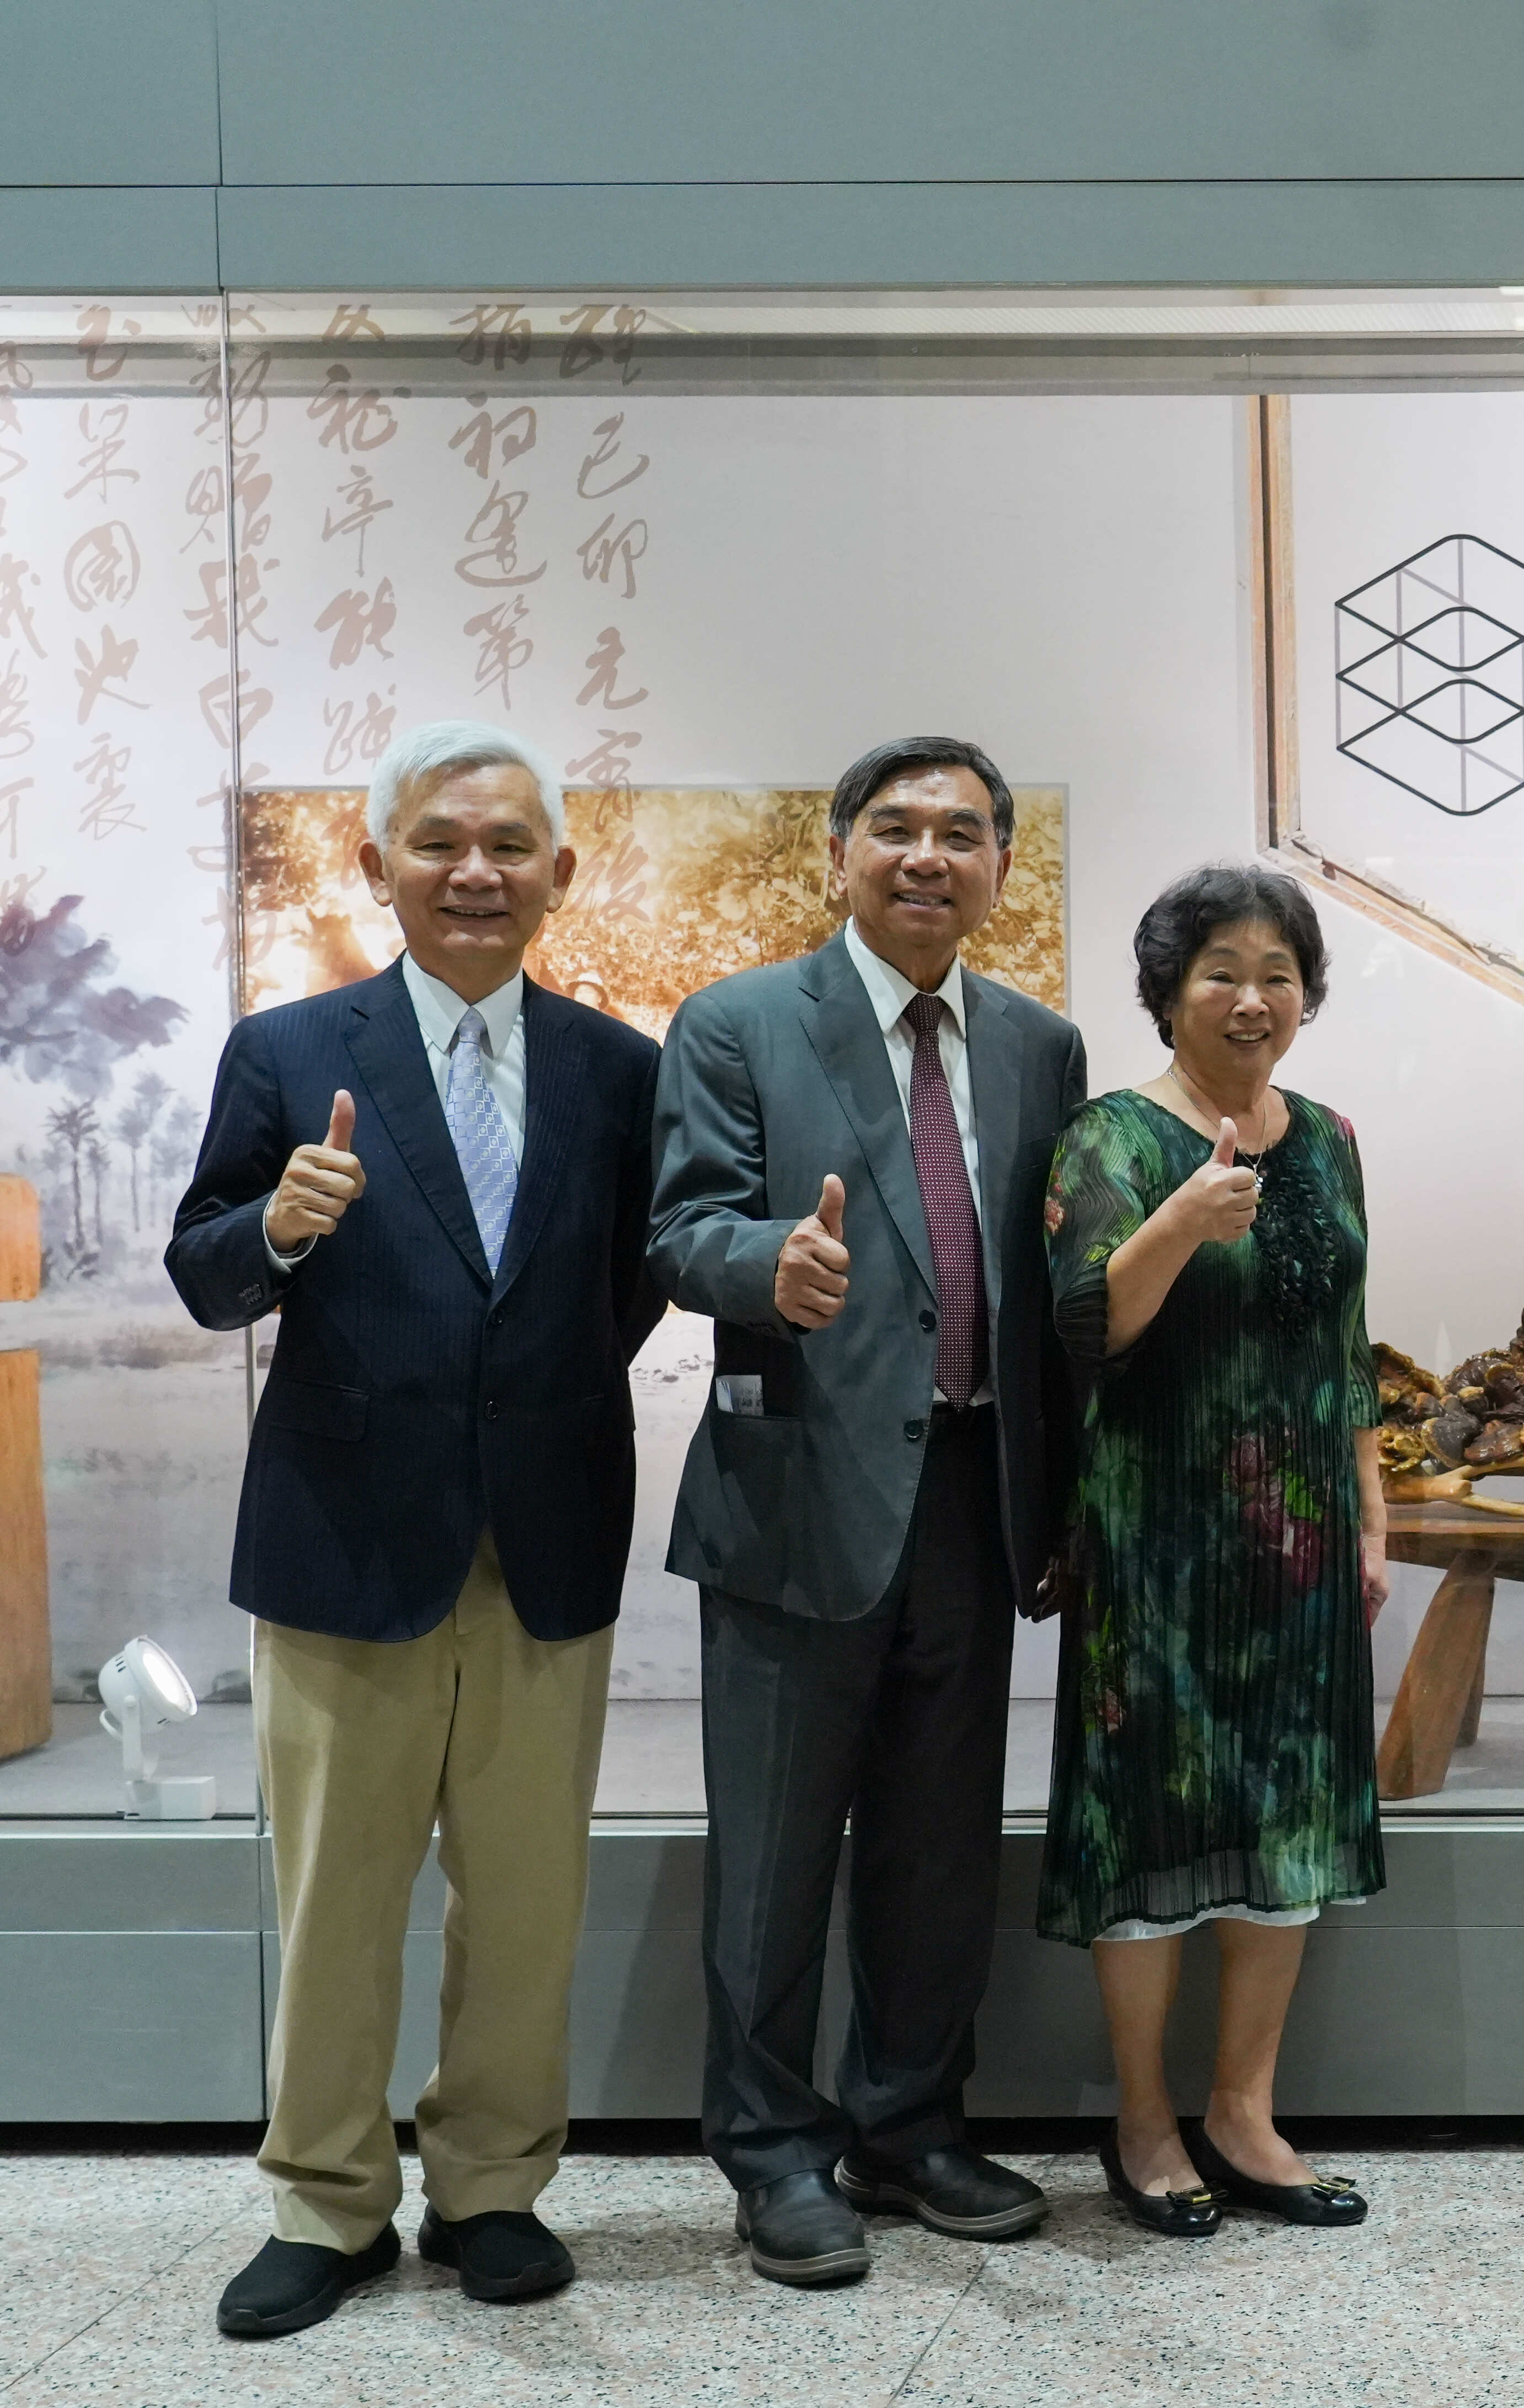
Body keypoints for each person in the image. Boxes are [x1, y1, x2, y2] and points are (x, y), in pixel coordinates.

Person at [166, 721, 663, 2338]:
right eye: (440, 841)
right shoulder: (289, 1046)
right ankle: (327, 2200)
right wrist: (277, 1225)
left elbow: (623, 1286)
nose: (475, 871)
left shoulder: (617, 1070)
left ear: (559, 873)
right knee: (336, 1898)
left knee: (527, 1898)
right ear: (378, 863)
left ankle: (491, 2188)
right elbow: (204, 1270)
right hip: (344, 1540)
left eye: (510, 845)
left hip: (546, 1540)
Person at [650, 735, 1089, 2285]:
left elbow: (1049, 1286)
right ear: (837, 853)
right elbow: (682, 1227)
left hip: (974, 1490)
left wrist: (1059, 1495)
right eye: (895, 828)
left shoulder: (1041, 1043)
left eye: (961, 833)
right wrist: (766, 1260)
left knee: (939, 1844)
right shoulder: (738, 1021)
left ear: (1000, 868)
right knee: (775, 1853)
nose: (926, 856)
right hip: (798, 1493)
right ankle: (773, 2149)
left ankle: (909, 2125)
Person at [1041, 865, 1388, 2236]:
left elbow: (1347, 1341)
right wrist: (1182, 1218)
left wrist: (1371, 1510)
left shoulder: (1333, 1138)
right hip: (1156, 1541)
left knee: (1288, 1817)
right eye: (1222, 973)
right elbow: (1087, 1328)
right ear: (1169, 994)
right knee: (1153, 1820)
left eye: (1278, 974)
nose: (1253, 999)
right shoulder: (1112, 1136)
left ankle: (1245, 2110)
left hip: (1300, 1546)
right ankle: (1144, 2117)